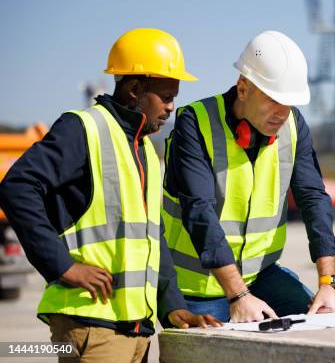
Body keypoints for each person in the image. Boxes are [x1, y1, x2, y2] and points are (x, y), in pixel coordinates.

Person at [0, 28, 221, 362]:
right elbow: (17, 187)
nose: (172, 107)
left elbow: (151, 239)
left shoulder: (146, 149)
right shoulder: (84, 128)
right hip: (92, 327)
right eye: (166, 96)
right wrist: (63, 266)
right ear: (134, 89)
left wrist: (173, 306)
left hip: (136, 331)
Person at [162, 30, 335, 323]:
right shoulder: (195, 124)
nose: (282, 113)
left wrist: (328, 282)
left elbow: (313, 197)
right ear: (243, 88)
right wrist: (238, 296)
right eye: (273, 99)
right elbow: (199, 211)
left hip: (260, 277)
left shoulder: (294, 126)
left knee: (318, 322)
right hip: (197, 287)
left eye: (289, 103)